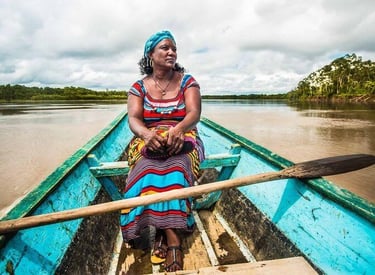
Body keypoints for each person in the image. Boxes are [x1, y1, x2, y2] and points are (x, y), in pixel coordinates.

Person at [120, 30, 205, 272]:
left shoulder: (187, 81)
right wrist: (147, 135)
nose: (171, 52)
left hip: (184, 134)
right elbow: (134, 119)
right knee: (147, 169)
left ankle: (170, 239)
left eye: (174, 48)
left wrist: (178, 129)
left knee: (177, 168)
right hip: (148, 138)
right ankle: (168, 234)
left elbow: (194, 114)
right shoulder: (139, 87)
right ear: (150, 54)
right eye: (165, 48)